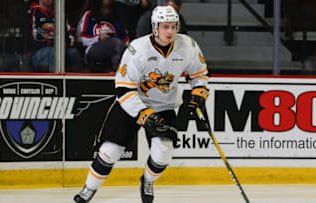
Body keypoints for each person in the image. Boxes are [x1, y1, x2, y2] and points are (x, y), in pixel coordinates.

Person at [73, 5, 209, 203]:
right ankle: (89, 188)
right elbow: (123, 89)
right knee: (110, 151)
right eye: (165, 27)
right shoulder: (138, 49)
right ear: (155, 27)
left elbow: (199, 74)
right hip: (132, 104)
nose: (170, 31)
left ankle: (147, 180)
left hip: (164, 105)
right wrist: (145, 115)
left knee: (163, 151)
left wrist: (199, 95)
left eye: (173, 26)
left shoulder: (188, 45)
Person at [28, 0, 82, 72]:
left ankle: (75, 82)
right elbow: (31, 40)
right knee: (51, 51)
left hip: (60, 49)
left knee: (74, 53)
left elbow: (70, 37)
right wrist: (56, 44)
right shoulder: (33, 12)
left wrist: (65, 43)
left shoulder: (60, 12)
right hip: (38, 52)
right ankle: (51, 82)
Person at [77, 0, 129, 72]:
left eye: (109, 8)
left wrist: (112, 41)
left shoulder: (117, 19)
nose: (106, 11)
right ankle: (118, 72)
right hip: (92, 50)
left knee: (118, 50)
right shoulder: (89, 15)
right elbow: (81, 39)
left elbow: (126, 41)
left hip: (114, 52)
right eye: (104, 8)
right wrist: (98, 38)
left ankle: (116, 73)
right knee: (116, 43)